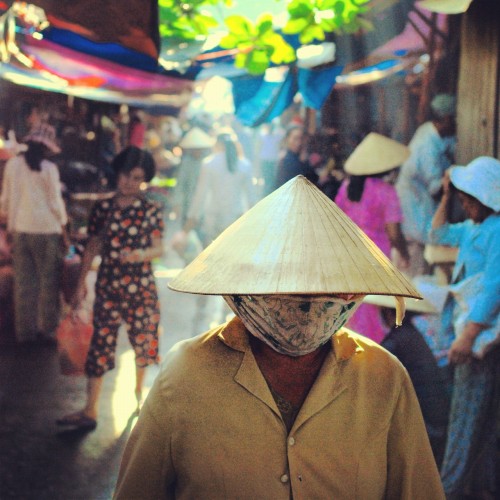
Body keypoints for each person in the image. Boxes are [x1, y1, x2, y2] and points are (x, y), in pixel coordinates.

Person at [114, 175, 444, 499]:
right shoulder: (185, 374)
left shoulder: (384, 378)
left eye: (318, 281)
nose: (303, 298)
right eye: (287, 280)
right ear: (243, 290)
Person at [56, 146, 164, 431]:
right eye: (126, 175)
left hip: (141, 289)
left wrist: (138, 255)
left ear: (144, 179)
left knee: (143, 344)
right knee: (99, 347)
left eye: (137, 177)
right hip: (108, 287)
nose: (130, 182)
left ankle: (140, 398)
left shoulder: (151, 209)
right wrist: (79, 286)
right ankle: (89, 411)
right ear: (117, 174)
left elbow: (158, 248)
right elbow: (92, 247)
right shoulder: (103, 208)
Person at [429, 156, 500, 498]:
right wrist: (445, 196)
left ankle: (448, 490)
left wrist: (467, 336)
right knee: (478, 421)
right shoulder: (474, 228)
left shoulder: (497, 230)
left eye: (470, 198)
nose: (465, 204)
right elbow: (438, 232)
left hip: (477, 337)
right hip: (473, 334)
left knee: (466, 420)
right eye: (463, 198)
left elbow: (493, 287)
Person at [335, 132, 410, 343]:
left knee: (351, 306)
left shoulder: (347, 188)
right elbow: (394, 232)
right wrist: (404, 253)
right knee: (372, 307)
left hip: (348, 255)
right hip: (376, 258)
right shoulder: (387, 192)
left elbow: (337, 219)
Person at [363, 293, 451, 468]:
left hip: (427, 428)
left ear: (388, 313)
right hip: (437, 422)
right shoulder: (411, 334)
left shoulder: (396, 341)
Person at [0, 124, 68, 346]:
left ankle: (24, 333)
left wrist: (10, 227)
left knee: (24, 283)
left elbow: (6, 200)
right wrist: (64, 228)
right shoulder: (49, 169)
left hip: (21, 229)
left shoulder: (12, 165)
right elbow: (55, 204)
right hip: (46, 231)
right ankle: (47, 331)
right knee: (48, 282)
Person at [396, 93, 457, 276]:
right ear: (446, 119)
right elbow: (434, 188)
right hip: (415, 203)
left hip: (418, 201)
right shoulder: (427, 146)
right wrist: (451, 179)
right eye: (453, 120)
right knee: (417, 262)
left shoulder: (432, 131)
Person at [183, 128, 257, 247]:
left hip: (213, 220)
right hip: (237, 219)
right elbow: (251, 198)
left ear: (217, 143)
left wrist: (191, 219)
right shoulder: (244, 165)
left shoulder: (209, 163)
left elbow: (200, 194)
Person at [171, 126, 214, 225]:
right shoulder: (187, 162)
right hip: (189, 204)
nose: (197, 151)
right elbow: (180, 184)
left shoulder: (209, 162)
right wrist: (176, 204)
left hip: (206, 207)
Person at [273, 125, 318, 190]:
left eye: (301, 138)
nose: (298, 143)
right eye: (295, 138)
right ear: (287, 139)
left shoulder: (301, 158)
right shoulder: (286, 159)